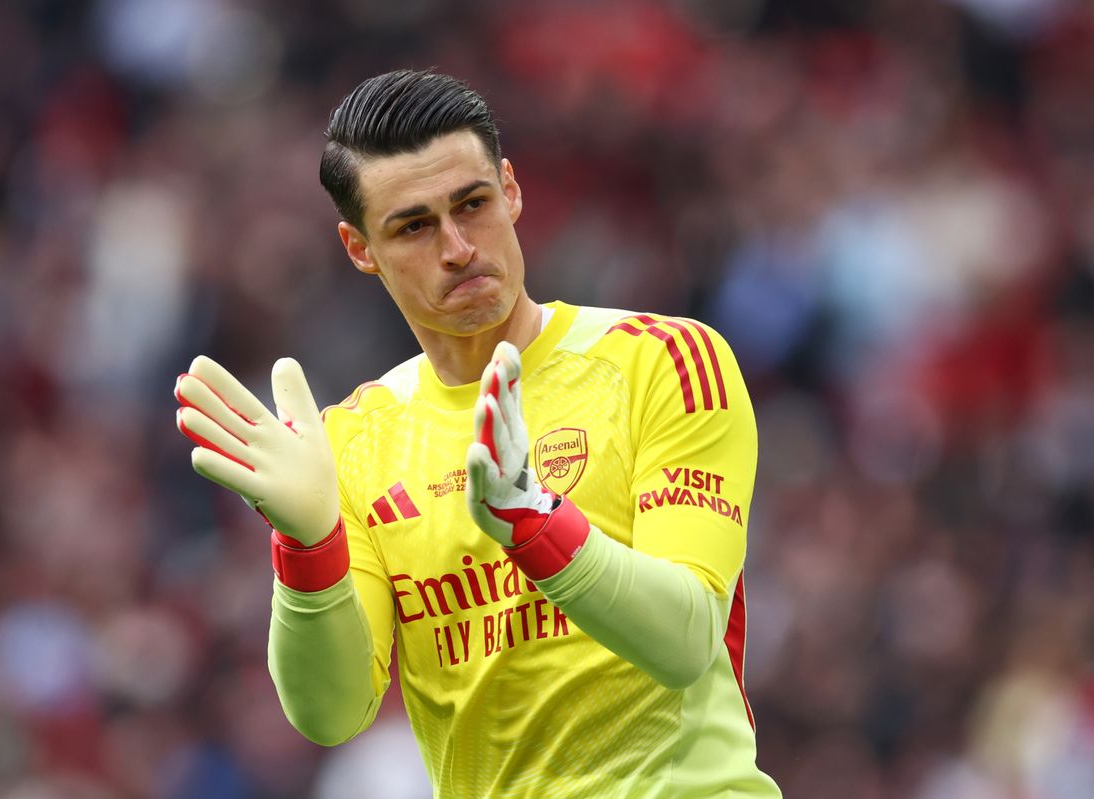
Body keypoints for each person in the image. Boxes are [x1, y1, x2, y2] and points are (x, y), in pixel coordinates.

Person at [175, 69, 782, 798]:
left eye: (473, 204)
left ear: (512, 190)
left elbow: (686, 639)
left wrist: (536, 523)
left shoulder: (664, 362)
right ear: (359, 247)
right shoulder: (356, 442)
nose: (459, 247)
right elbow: (330, 714)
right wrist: (308, 549)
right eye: (414, 225)